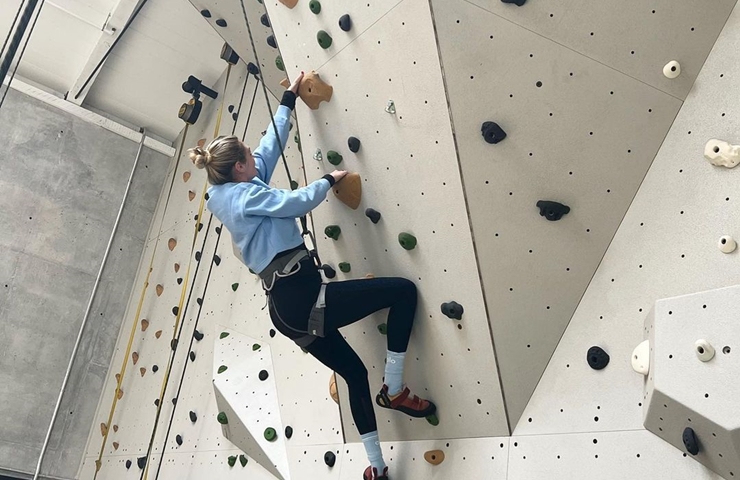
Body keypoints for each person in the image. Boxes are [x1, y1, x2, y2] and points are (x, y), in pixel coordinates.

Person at [189, 72, 435, 480]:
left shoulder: (233, 186)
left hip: (286, 308)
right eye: (247, 155)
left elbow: (268, 148)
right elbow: (295, 203)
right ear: (238, 168)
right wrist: (328, 179)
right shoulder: (247, 195)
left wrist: (288, 101)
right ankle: (393, 389)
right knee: (403, 292)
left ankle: (376, 469)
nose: (254, 156)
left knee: (354, 373)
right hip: (302, 299)